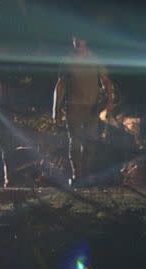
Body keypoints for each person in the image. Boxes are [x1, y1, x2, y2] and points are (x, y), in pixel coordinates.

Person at [53, 34, 114, 187]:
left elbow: (106, 81)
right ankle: (77, 175)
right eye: (75, 39)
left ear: (86, 41)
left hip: (93, 107)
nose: (78, 42)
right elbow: (60, 84)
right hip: (73, 106)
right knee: (75, 141)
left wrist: (109, 101)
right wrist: (56, 108)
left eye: (80, 39)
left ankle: (86, 175)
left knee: (91, 142)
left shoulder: (95, 59)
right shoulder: (67, 60)